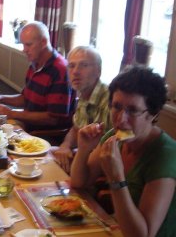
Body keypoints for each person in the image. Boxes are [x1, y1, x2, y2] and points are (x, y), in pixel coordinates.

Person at [71, 66, 176, 237]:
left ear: (153, 114)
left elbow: (142, 235)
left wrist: (116, 179)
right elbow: (79, 183)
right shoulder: (114, 137)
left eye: (133, 110)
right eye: (117, 106)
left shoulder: (164, 157)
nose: (121, 119)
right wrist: (83, 148)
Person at [0, 21, 75, 140]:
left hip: (43, 133)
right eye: (23, 45)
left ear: (43, 42)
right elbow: (25, 98)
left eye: (28, 45)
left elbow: (52, 119)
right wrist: (1, 98)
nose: (24, 50)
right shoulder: (35, 64)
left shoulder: (60, 70)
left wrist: (12, 113)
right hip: (26, 121)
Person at [53, 46, 112, 173]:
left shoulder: (109, 101)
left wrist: (75, 154)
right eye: (71, 66)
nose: (75, 72)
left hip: (100, 171)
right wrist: (65, 146)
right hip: (81, 158)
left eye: (84, 65)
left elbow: (107, 151)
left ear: (98, 71)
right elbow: (75, 129)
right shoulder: (84, 94)